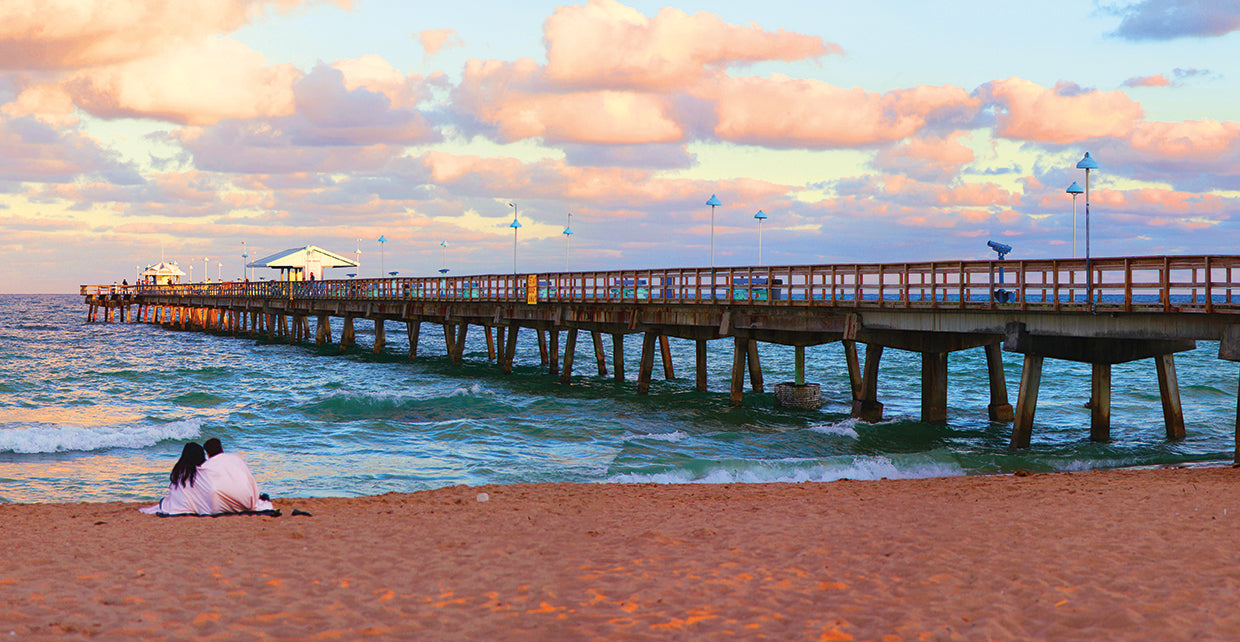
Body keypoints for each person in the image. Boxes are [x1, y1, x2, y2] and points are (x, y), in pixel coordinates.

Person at [199, 438, 274, 513]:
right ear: (221, 448)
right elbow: (250, 480)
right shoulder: (235, 457)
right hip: (247, 501)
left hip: (221, 506)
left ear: (208, 454)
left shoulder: (206, 466)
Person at [139, 442, 215, 515]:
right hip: (198, 506)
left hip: (178, 505)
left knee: (166, 502)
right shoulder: (203, 471)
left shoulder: (179, 471)